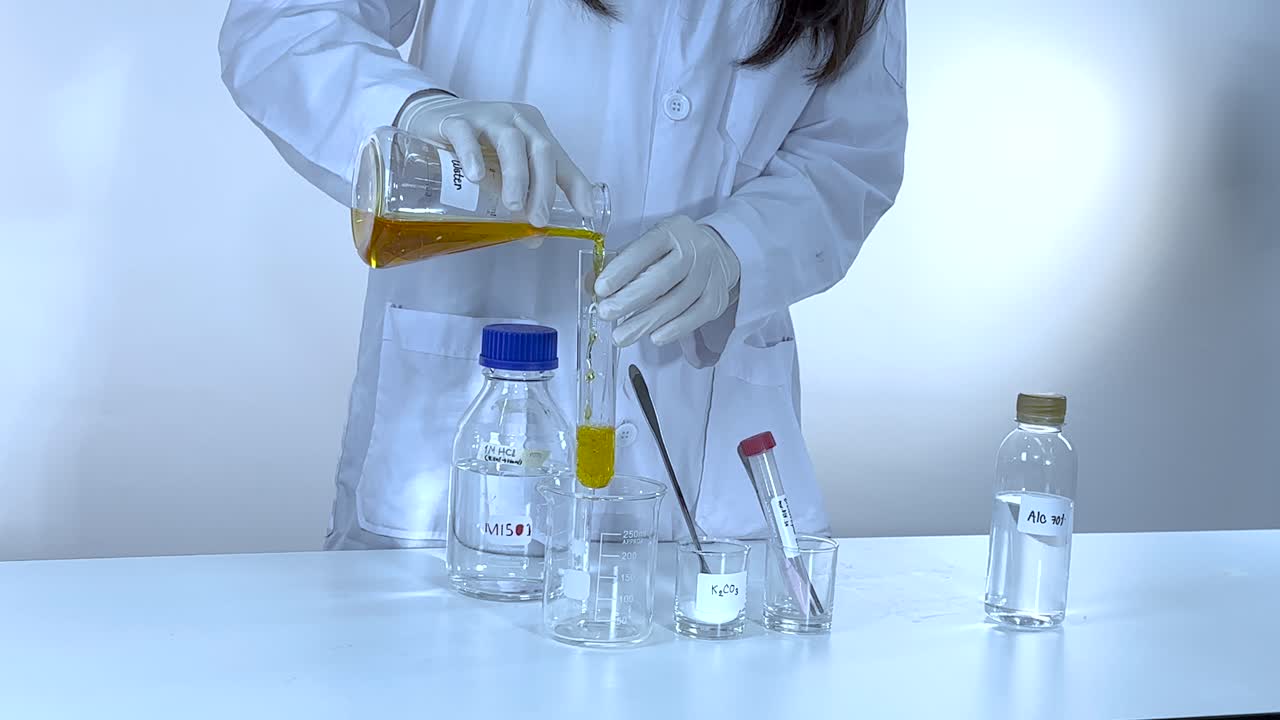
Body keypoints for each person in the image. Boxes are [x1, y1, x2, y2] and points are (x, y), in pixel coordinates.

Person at [218, 0, 907, 550]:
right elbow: (283, 19)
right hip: (472, 386)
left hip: (703, 435)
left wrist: (739, 249)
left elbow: (850, 153)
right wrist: (414, 113)